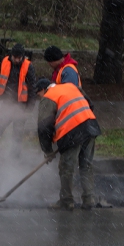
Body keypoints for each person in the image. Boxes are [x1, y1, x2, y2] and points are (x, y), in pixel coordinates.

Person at [35, 78, 101, 211]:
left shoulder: (49, 96)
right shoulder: (71, 87)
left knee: (66, 167)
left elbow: (44, 127)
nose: (39, 98)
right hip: (90, 126)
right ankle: (89, 199)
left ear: (43, 90)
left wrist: (47, 151)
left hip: (72, 132)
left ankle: (66, 201)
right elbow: (90, 104)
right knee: (86, 165)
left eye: (38, 95)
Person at [0, 43, 37, 160]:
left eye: (19, 57)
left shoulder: (28, 66)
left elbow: (32, 88)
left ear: (23, 56)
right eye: (15, 57)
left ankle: (15, 159)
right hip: (7, 104)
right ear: (11, 55)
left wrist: (29, 109)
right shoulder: (5, 62)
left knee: (17, 135)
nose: (16, 60)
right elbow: (0, 77)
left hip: (21, 106)